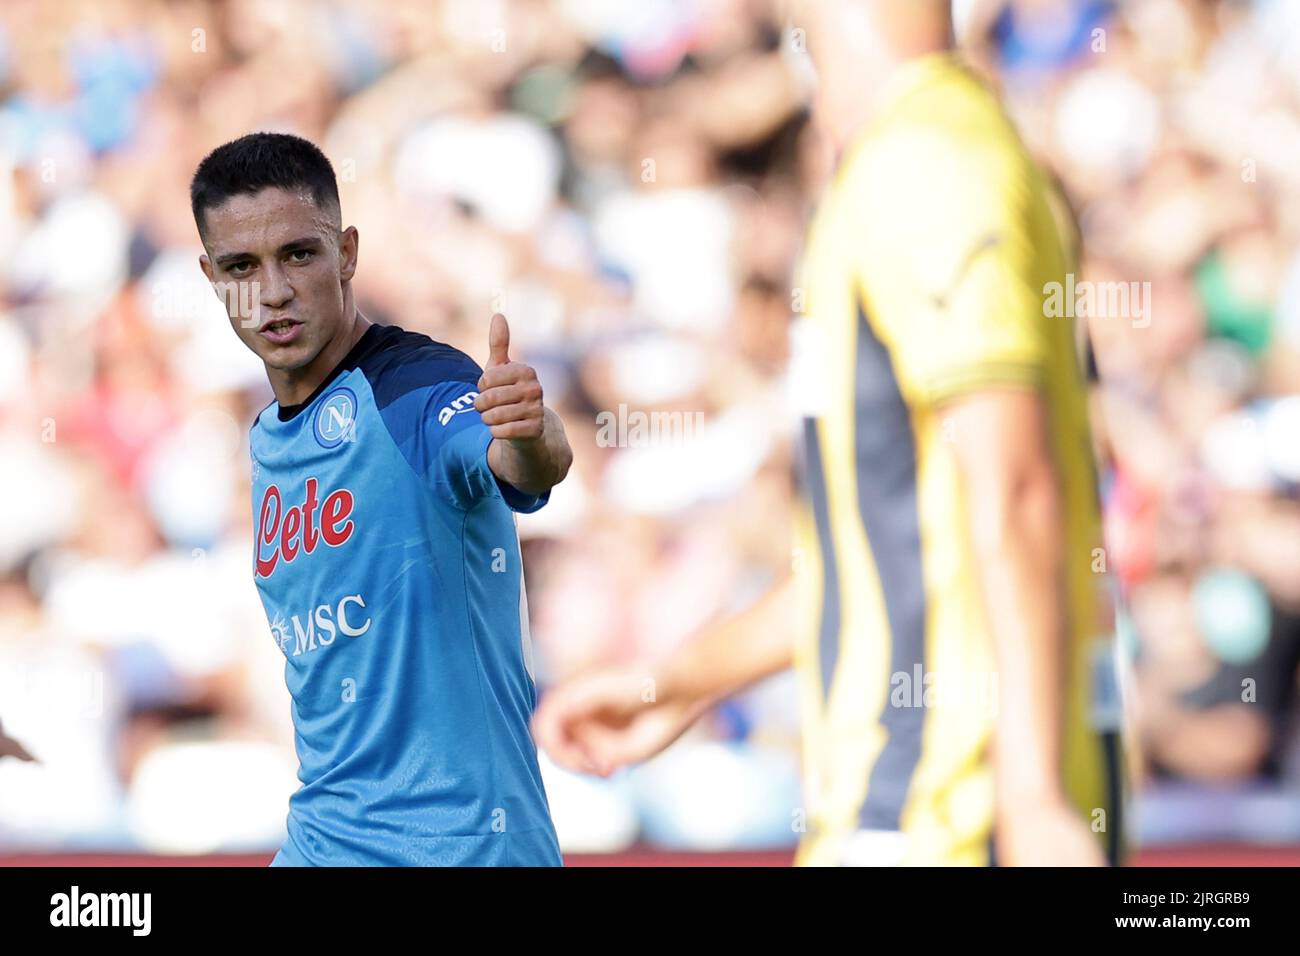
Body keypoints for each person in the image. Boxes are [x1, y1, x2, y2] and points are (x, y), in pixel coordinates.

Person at [533, 0, 1122, 866]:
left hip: (950, 812)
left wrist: (1032, 795)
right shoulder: (903, 158)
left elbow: (1018, 488)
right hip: (911, 812)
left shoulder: (928, 161)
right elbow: (893, 549)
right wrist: (682, 682)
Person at [191, 132, 572, 866]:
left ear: (349, 254)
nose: (272, 291)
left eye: (299, 254)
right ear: (212, 278)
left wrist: (527, 431)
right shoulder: (267, 436)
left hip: (465, 850)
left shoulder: (412, 389)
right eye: (242, 267)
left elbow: (518, 461)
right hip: (325, 839)